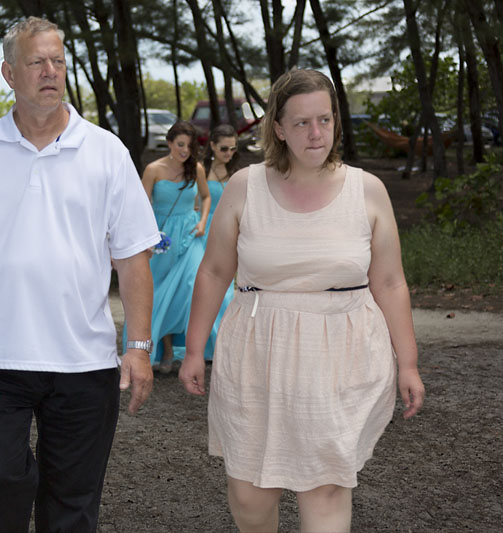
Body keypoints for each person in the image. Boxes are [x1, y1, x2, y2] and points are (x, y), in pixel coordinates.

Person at [0, 17, 159, 532]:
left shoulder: (107, 152)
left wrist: (137, 345)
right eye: (37, 62)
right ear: (9, 73)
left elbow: (133, 257)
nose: (51, 72)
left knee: (72, 503)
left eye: (58, 62)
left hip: (84, 361)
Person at [179, 69, 425, 533]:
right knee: (250, 492)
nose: (316, 134)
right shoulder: (244, 186)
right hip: (257, 348)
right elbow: (214, 271)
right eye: (301, 123)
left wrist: (408, 363)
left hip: (341, 353)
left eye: (325, 120)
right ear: (277, 127)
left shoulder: (367, 189)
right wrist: (194, 350)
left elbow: (390, 282)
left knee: (327, 485)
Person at [124, 120, 213, 374]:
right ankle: (166, 349)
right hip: (161, 237)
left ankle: (192, 349)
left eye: (189, 145)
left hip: (189, 234)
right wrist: (146, 236)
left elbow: (205, 197)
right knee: (161, 294)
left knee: (191, 287)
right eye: (180, 144)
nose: (185, 150)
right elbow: (140, 204)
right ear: (170, 143)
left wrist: (203, 221)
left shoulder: (195, 168)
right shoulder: (153, 169)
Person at [200, 124, 240, 355]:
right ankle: (208, 344)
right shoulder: (200, 171)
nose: (229, 153)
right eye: (224, 148)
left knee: (229, 289)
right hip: (205, 232)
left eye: (233, 149)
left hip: (229, 232)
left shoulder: (236, 173)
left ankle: (222, 342)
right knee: (208, 286)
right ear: (212, 146)